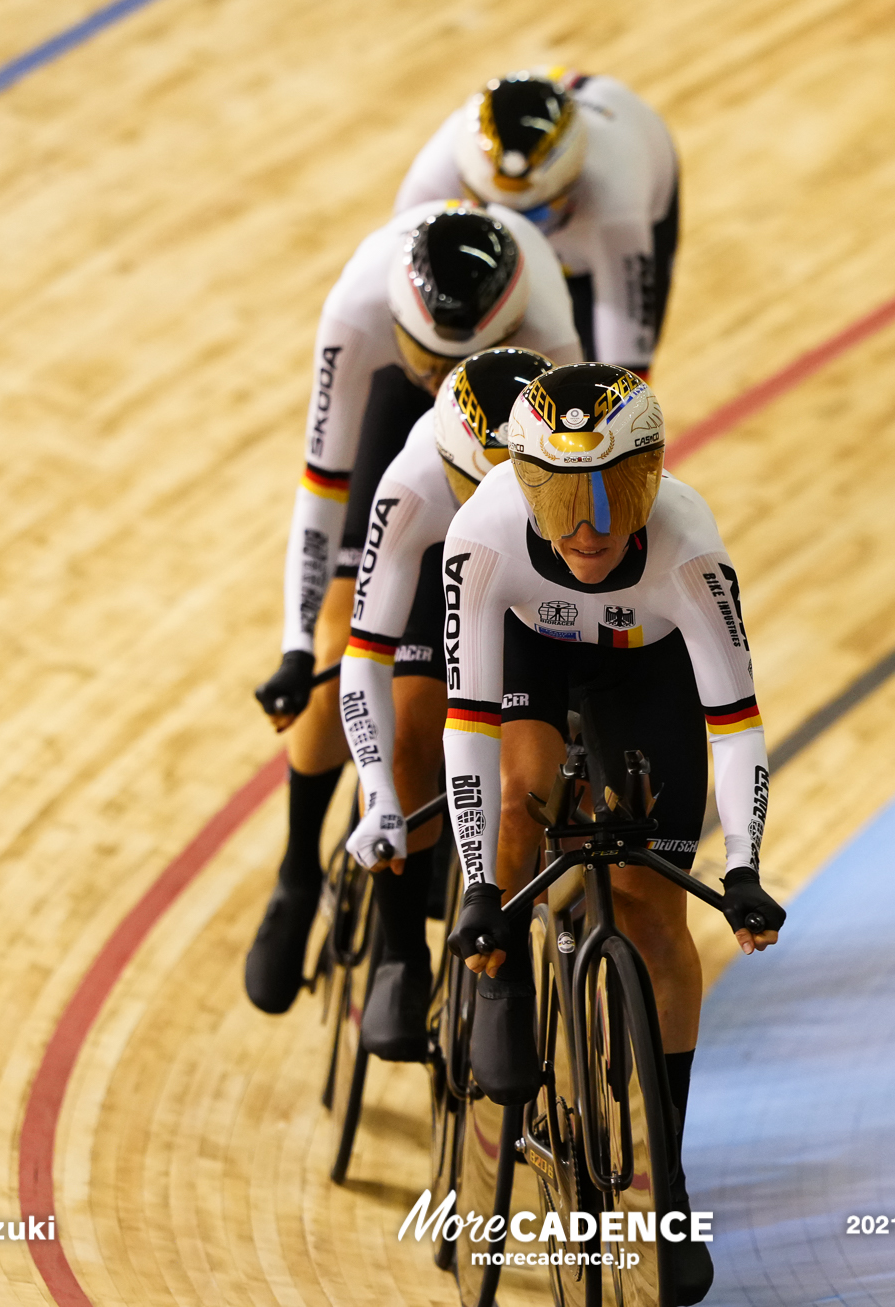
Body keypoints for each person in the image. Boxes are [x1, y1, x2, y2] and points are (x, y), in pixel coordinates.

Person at [439, 362, 786, 1299]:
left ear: (653, 480)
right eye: (561, 498)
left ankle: (662, 1177)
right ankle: (504, 978)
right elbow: (466, 723)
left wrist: (744, 867)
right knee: (521, 799)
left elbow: (736, 724)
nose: (589, 525)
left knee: (651, 903)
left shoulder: (689, 548)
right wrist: (480, 888)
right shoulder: (482, 537)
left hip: (648, 672)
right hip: (533, 656)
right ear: (522, 485)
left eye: (616, 493)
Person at [244, 203, 581, 1017]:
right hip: (403, 436)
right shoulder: (362, 304)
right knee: (344, 662)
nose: (439, 376)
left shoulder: (546, 318)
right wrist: (298, 644)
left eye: (450, 361)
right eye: (424, 355)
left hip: (506, 436)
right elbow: (321, 493)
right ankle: (297, 875)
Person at [335, 347, 556, 1059]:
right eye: (479, 482)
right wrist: (378, 794)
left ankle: (506, 956)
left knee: (526, 789)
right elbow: (364, 657)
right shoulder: (412, 486)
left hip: (533, 573)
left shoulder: (557, 476)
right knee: (409, 738)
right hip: (440, 571)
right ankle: (400, 955)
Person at [396, 69, 679, 376]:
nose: (519, 229)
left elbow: (628, 358)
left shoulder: (616, 196)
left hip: (629, 200)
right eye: (491, 209)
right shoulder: (434, 175)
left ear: (574, 181)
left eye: (534, 215)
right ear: (463, 182)